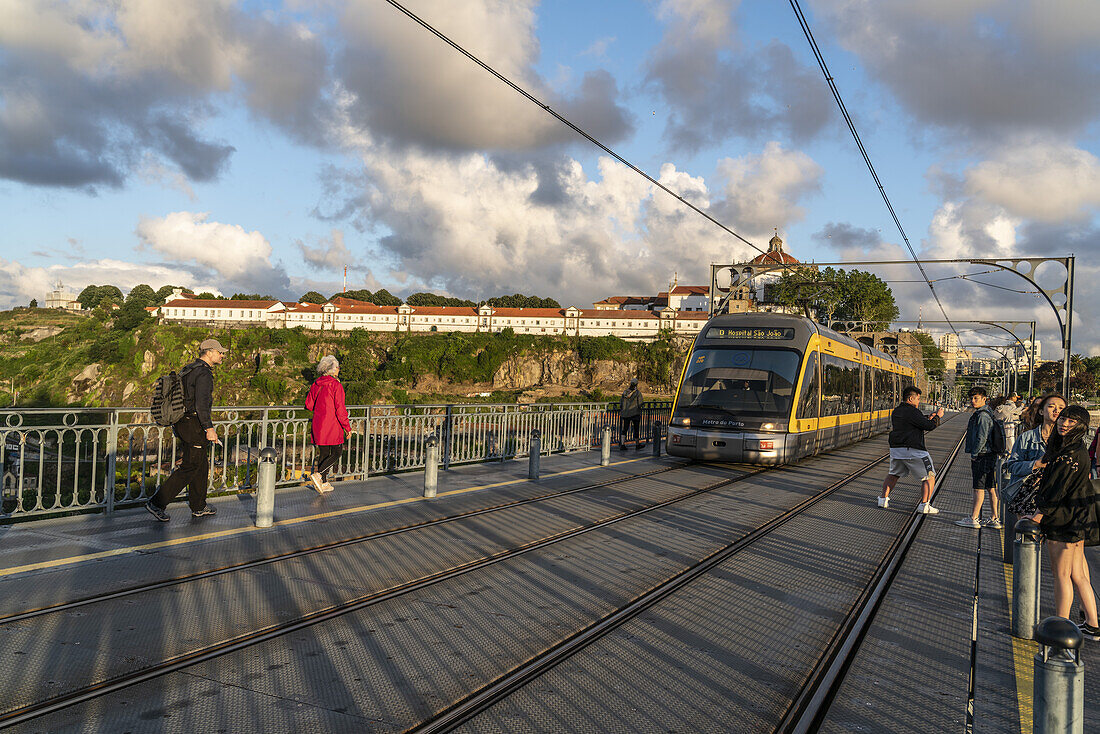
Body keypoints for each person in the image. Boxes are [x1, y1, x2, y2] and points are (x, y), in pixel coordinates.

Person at [1027, 405, 1100, 640]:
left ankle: (1060, 627)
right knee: (1078, 575)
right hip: (1076, 518)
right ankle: (1092, 624)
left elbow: (1057, 489)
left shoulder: (1070, 453)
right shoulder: (1075, 448)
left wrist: (1038, 515)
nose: (1064, 423)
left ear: (1082, 426)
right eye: (1063, 418)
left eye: (1072, 421)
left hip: (1063, 520)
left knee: (1062, 575)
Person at [146, 338, 227, 522]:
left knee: (200, 464)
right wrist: (209, 428)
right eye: (219, 352)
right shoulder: (204, 374)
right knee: (190, 466)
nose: (222, 355)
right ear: (209, 352)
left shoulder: (189, 369)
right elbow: (201, 404)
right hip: (194, 424)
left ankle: (199, 506)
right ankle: (157, 503)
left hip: (182, 422)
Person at [877, 386, 944, 513]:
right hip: (914, 450)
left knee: (893, 474)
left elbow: (912, 422)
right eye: (918, 399)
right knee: (929, 476)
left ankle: (883, 499)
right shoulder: (913, 412)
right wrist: (937, 417)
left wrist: (926, 417)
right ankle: (925, 505)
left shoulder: (897, 411)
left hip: (896, 450)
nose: (919, 402)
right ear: (910, 398)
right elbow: (929, 426)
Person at [1003, 394, 1066, 503]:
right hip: (1028, 497)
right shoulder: (1027, 438)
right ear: (1041, 411)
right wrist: (1035, 464)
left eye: (1061, 408)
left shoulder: (1067, 440)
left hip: (1055, 498)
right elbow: (1012, 465)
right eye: (1051, 406)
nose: (1056, 410)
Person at [957, 386, 1003, 529]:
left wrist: (975, 455)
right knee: (990, 486)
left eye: (976, 398)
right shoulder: (987, 412)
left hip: (983, 455)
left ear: (984, 399)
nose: (972, 401)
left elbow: (981, 437)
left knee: (978, 487)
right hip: (990, 455)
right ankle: (995, 518)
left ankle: (974, 518)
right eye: (971, 398)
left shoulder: (982, 415)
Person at [305, 355, 351, 494]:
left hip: (319, 423)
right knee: (337, 452)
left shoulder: (316, 384)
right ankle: (318, 475)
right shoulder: (336, 385)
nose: (339, 369)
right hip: (332, 424)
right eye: (337, 367)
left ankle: (323, 483)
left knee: (324, 453)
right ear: (332, 369)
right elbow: (340, 408)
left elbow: (309, 405)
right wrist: (347, 428)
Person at [619, 378, 644, 451]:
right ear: (636, 384)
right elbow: (640, 404)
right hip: (635, 413)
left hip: (625, 413)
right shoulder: (637, 393)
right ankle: (637, 444)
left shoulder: (625, 392)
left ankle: (622, 444)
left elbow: (621, 403)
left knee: (625, 429)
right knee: (636, 429)